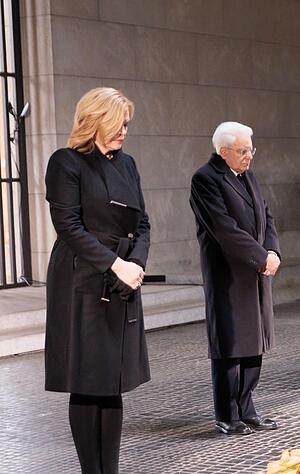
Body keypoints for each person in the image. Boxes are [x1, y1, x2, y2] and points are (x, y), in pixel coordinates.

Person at [44, 87, 150, 473]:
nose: (124, 129)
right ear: (94, 119)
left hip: (122, 278)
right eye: (117, 122)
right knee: (88, 379)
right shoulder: (66, 163)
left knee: (112, 381)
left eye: (126, 123)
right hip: (82, 281)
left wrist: (134, 264)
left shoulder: (128, 164)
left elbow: (142, 223)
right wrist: (114, 264)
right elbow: (69, 227)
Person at [190, 122, 281, 436]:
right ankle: (227, 414)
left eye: (251, 150)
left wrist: (273, 251)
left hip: (256, 271)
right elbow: (224, 228)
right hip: (228, 275)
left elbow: (266, 216)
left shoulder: (248, 176)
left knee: (254, 342)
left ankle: (247, 408)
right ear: (223, 151)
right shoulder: (205, 179)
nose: (249, 156)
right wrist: (260, 257)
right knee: (231, 345)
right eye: (242, 151)